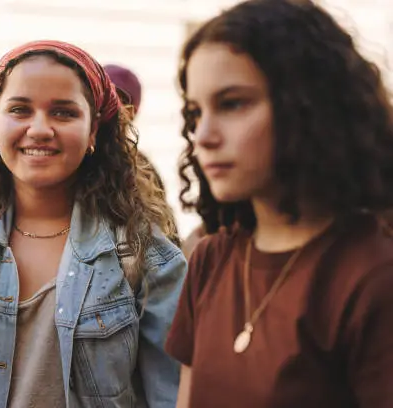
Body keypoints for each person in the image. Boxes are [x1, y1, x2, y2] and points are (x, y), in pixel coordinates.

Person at [0, 40, 186, 407]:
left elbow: (173, 395)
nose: (39, 129)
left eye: (64, 113)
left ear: (94, 130)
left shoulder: (148, 259)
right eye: (19, 110)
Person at [165, 1, 393, 407]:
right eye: (195, 112)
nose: (203, 135)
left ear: (307, 105)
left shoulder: (371, 275)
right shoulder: (211, 258)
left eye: (232, 103)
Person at [104, 63, 179, 245]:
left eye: (115, 103)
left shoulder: (142, 169)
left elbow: (167, 237)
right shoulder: (70, 157)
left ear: (129, 113)